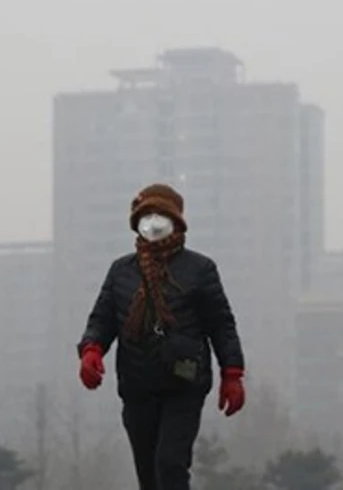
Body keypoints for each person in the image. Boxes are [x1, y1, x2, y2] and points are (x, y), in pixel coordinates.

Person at [76, 183, 246, 490]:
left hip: (184, 384)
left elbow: (221, 324)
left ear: (176, 222)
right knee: (148, 474)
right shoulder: (121, 271)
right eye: (146, 215)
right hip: (137, 385)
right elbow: (102, 319)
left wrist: (232, 373)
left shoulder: (200, 269)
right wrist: (91, 350)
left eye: (160, 215)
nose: (153, 222)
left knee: (170, 464)